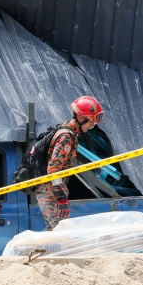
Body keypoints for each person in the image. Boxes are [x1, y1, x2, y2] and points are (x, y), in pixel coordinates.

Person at [35, 95, 104, 230]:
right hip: (50, 191)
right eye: (91, 121)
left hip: (53, 189)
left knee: (59, 230)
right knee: (57, 231)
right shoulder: (66, 136)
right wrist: (61, 198)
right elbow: (53, 169)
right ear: (80, 118)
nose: (92, 125)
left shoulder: (70, 132)